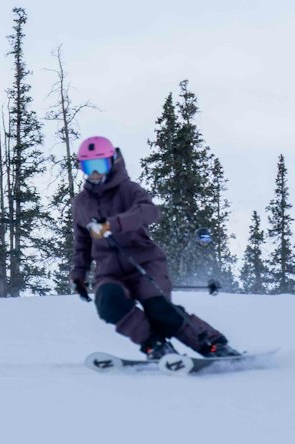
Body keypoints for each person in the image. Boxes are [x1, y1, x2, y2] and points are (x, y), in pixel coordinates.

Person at [71, 134, 240, 360]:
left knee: (159, 309)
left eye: (99, 165)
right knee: (108, 302)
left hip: (145, 261)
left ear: (111, 162)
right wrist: (79, 275)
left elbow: (150, 212)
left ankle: (213, 345)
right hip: (109, 271)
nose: (94, 173)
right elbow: (82, 243)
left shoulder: (128, 189)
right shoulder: (81, 203)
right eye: (88, 166)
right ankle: (155, 345)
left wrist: (113, 224)